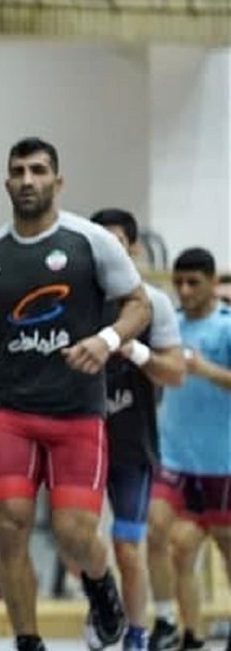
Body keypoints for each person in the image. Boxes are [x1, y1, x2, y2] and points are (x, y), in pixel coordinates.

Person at [0, 137, 151, 651]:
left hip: (76, 413)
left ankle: (101, 587)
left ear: (57, 182)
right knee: (10, 527)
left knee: (74, 533)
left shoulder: (90, 242)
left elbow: (139, 305)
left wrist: (106, 341)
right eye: (18, 171)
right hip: (10, 412)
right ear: (7, 183)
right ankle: (28, 641)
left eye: (38, 171)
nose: (27, 180)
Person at [81, 208, 186, 651]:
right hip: (81, 440)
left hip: (130, 443)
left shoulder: (152, 303)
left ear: (134, 248)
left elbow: (175, 372)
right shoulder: (78, 298)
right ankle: (104, 606)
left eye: (117, 244)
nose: (109, 253)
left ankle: (138, 635)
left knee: (128, 545)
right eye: (100, 245)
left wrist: (135, 351)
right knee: (78, 539)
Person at [146, 247, 231, 651]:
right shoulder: (171, 329)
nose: (183, 290)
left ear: (212, 283)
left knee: (227, 548)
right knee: (172, 543)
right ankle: (186, 631)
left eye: (193, 282)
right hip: (175, 457)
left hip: (222, 461)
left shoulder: (226, 327)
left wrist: (204, 369)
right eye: (178, 282)